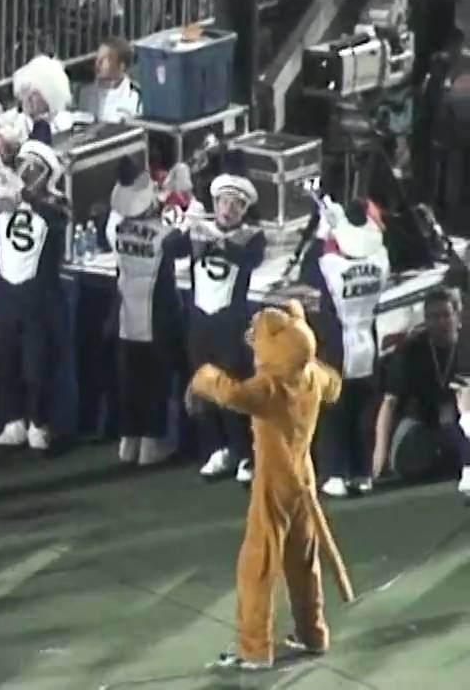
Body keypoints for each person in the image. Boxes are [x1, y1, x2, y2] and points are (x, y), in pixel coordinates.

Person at [186, 301, 354, 671]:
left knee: (258, 563)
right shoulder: (312, 376)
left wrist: (204, 376)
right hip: (304, 477)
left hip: (274, 480)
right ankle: (313, 633)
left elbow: (230, 394)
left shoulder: (270, 387)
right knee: (302, 561)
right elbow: (335, 387)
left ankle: (255, 647)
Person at [165, 172, 268, 483]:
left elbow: (248, 259)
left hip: (231, 326)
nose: (228, 208)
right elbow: (170, 248)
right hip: (200, 321)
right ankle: (218, 448)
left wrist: (214, 239)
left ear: (244, 209)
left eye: (236, 204)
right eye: (224, 201)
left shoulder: (251, 236)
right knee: (205, 390)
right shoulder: (199, 230)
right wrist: (185, 225)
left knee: (233, 392)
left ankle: (246, 453)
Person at [0, 141, 71, 451]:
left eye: (34, 168)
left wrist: (28, 196)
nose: (25, 172)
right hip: (4, 290)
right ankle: (12, 420)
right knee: (4, 360)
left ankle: (37, 421)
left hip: (37, 294)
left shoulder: (56, 203)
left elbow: (57, 219)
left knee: (36, 363)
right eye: (23, 165)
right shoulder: (3, 196)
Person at [300, 201, 391, 498]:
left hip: (338, 346)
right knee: (363, 411)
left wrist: (322, 232)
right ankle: (361, 471)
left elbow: (309, 269)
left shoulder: (330, 266)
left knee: (334, 413)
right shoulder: (381, 260)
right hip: (369, 341)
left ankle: (335, 472)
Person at [105, 160, 180, 467]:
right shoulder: (165, 234)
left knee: (130, 380)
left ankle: (128, 441)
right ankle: (151, 443)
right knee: (154, 380)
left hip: (126, 314)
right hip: (156, 316)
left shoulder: (114, 227)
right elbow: (184, 242)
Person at [373, 289, 470, 495]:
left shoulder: (465, 346)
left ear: (457, 316)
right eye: (433, 317)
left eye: (445, 315)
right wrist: (379, 453)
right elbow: (390, 401)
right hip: (423, 424)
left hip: (463, 420)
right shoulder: (411, 351)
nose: (440, 322)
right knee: (408, 462)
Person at [76, 37, 143, 122]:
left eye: (104, 60)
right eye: (97, 59)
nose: (98, 64)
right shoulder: (84, 92)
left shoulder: (136, 97)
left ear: (121, 66)